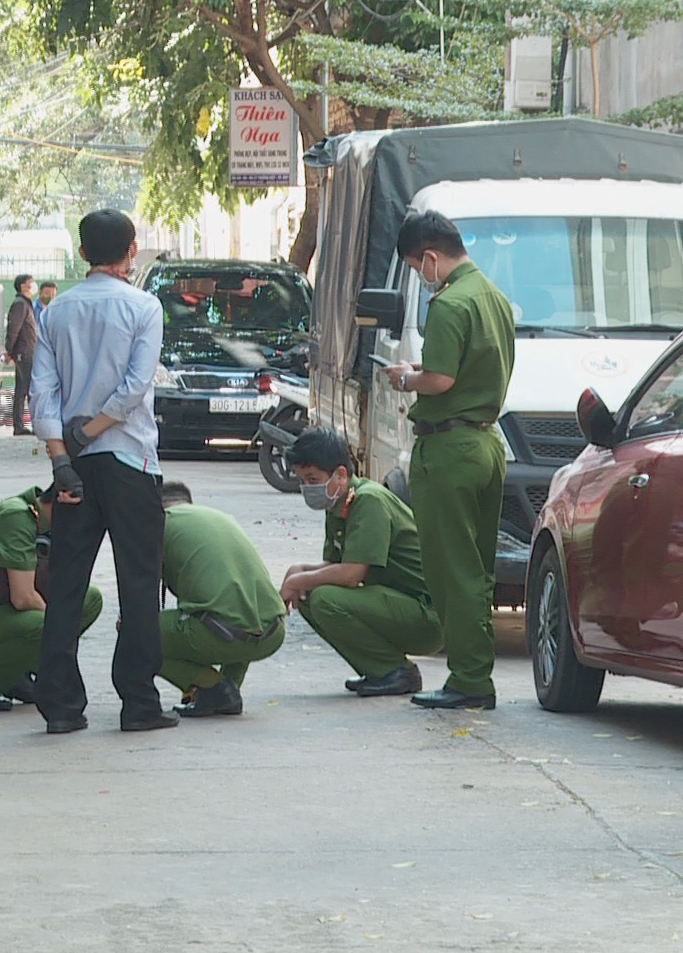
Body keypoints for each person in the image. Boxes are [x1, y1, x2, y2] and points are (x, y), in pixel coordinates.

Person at [31, 209, 173, 735]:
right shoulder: (144, 306)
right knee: (139, 581)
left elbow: (41, 392)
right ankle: (139, 702)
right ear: (132, 250)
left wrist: (62, 457)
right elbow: (136, 388)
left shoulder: (55, 310)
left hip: (74, 471)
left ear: (83, 252)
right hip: (131, 459)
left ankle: (61, 706)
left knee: (66, 583)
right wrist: (93, 431)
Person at [382, 211, 515, 711]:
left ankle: (469, 679)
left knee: (450, 569)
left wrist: (404, 378)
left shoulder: (449, 303)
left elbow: (439, 380)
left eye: (419, 267)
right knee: (478, 568)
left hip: (449, 450)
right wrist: (424, 370)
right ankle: (475, 672)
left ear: (432, 257)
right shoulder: (494, 298)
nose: (421, 276)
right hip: (486, 444)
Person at [278, 428, 441, 697]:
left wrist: (298, 580)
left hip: (427, 614)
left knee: (325, 599)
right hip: (394, 603)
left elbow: (351, 574)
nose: (308, 488)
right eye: (302, 481)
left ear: (340, 474)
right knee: (308, 595)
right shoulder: (338, 503)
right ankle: (380, 669)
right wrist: (299, 571)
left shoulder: (368, 501)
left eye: (312, 479)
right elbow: (334, 564)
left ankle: (396, 672)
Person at [0, 486, 103, 711]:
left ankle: (16, 671)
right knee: (48, 625)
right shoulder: (19, 517)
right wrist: (60, 627)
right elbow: (23, 598)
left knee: (89, 600)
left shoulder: (40, 518)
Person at [157, 482, 286, 718]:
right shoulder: (219, 518)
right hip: (272, 633)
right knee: (238, 610)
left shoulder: (161, 523)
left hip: (220, 635)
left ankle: (214, 687)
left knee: (134, 632)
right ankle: (228, 689)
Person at [5, 273, 38, 436]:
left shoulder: (25, 303)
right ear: (24, 286)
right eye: (31, 282)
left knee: (22, 391)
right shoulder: (20, 304)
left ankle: (20, 425)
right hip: (24, 353)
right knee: (29, 390)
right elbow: (14, 329)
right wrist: (9, 351)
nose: (34, 285)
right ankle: (31, 425)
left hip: (26, 352)